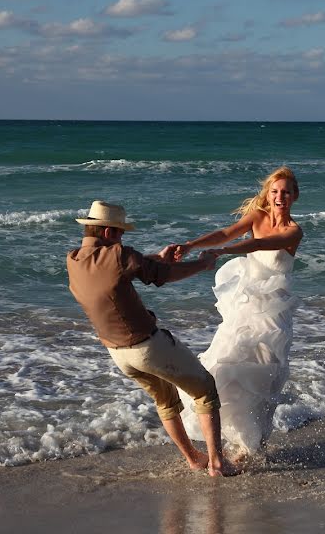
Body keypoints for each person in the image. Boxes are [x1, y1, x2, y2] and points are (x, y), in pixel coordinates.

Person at [67, 200, 238, 477]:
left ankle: (194, 459)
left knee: (166, 401)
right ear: (109, 233)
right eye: (120, 233)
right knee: (205, 389)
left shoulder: (74, 259)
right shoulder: (119, 254)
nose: (122, 238)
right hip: (147, 347)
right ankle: (217, 463)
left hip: (117, 353)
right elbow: (160, 276)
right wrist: (202, 264)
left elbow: (129, 269)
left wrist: (158, 257)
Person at [172, 166, 303, 458]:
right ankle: (226, 438)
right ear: (268, 195)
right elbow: (225, 232)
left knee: (266, 376)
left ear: (294, 196)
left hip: (274, 314)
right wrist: (191, 245)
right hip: (244, 310)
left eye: (285, 192)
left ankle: (255, 444)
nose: (279, 196)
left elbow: (259, 244)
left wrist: (223, 252)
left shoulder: (294, 231)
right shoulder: (257, 217)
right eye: (274, 191)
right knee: (224, 365)